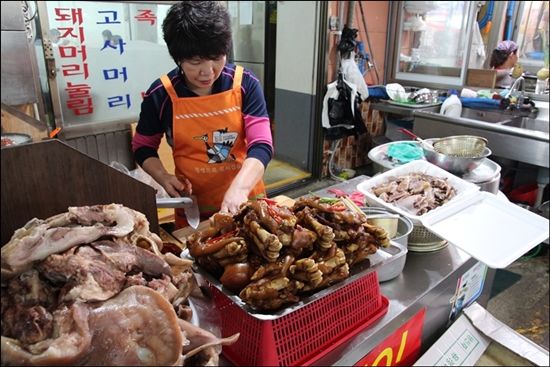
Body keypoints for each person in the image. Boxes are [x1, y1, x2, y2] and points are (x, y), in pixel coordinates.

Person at [132, 1, 273, 229]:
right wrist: (164, 178)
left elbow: (262, 144)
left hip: (248, 203)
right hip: (195, 211)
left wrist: (240, 189)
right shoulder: (161, 95)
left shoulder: (244, 83)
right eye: (195, 62)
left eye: (217, 58)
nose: (208, 72)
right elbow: (142, 146)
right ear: (178, 58)